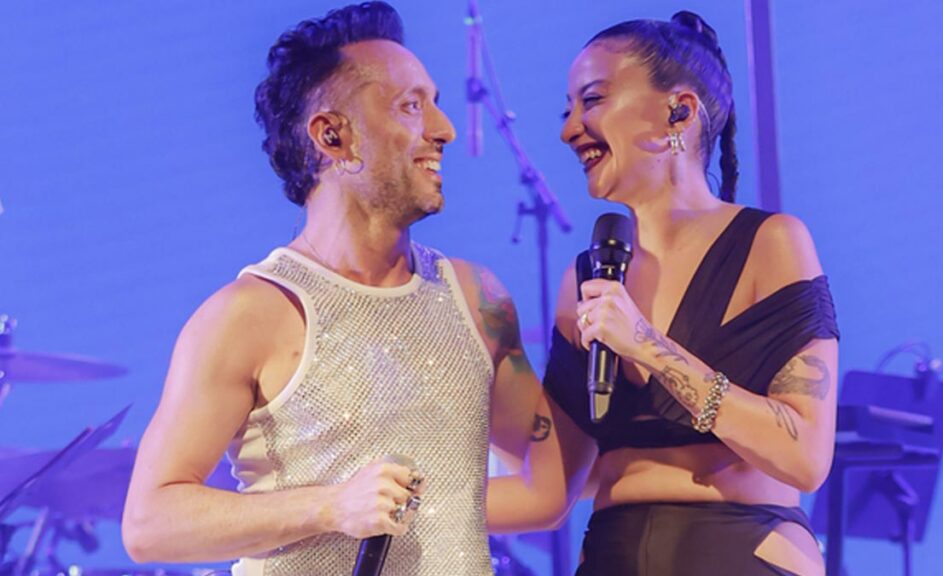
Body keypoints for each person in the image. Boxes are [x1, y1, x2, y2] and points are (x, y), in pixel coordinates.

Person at [121, 3, 564, 574]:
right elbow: (149, 524)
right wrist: (331, 506)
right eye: (411, 106)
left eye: (434, 103)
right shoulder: (253, 313)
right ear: (332, 136)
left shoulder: (478, 298)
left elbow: (547, 491)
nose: (444, 130)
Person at [535, 10, 840, 576]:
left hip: (743, 551)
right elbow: (549, 487)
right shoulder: (585, 279)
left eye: (592, 100)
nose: (570, 129)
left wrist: (647, 346)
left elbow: (805, 457)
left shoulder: (770, 243)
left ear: (679, 110)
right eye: (567, 110)